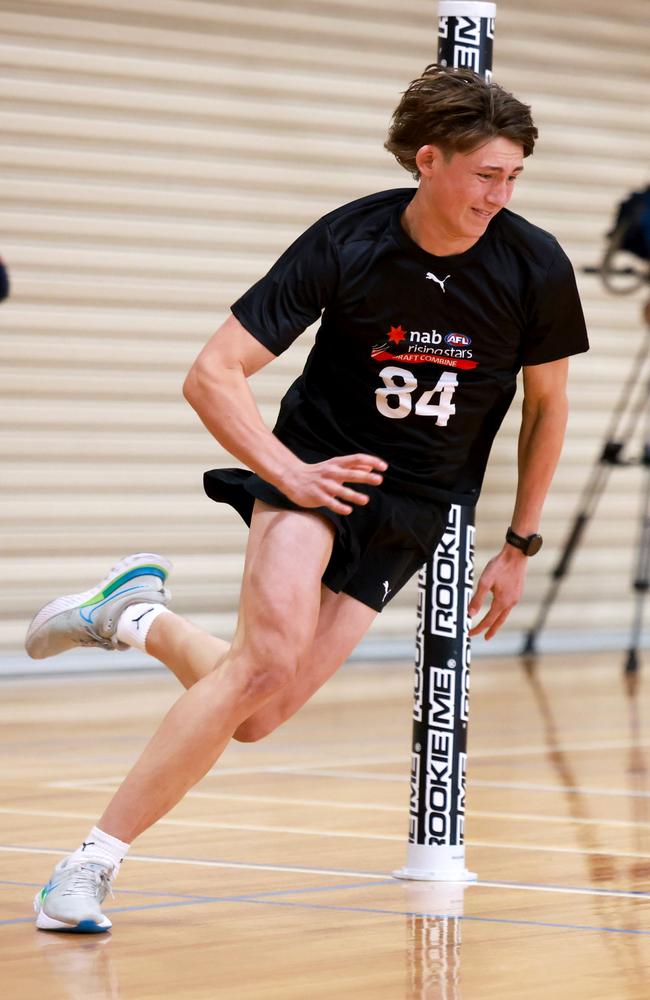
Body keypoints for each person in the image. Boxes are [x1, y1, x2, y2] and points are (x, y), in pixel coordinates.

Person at [26, 64, 588, 933]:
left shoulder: (533, 263)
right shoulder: (350, 241)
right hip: (319, 474)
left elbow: (548, 409)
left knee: (259, 714)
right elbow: (212, 374)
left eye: (515, 177)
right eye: (486, 175)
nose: (500, 194)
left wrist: (520, 545)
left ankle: (133, 616)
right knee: (263, 662)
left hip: (417, 507)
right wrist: (287, 476)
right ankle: (87, 867)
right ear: (429, 161)